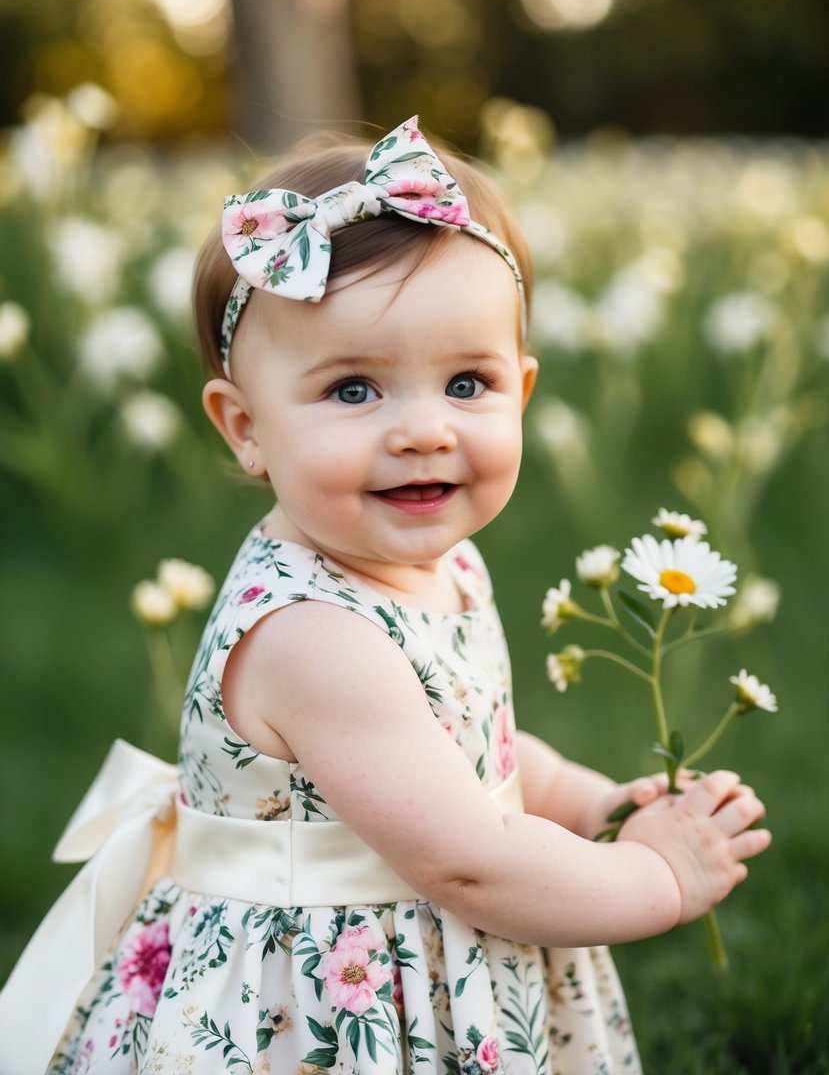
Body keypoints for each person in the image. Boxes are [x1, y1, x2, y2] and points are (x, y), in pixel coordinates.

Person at [0, 117, 770, 1075]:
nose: (422, 431)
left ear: (521, 392)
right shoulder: (314, 636)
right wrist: (654, 874)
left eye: (466, 382)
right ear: (244, 427)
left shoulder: (442, 565)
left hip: (425, 955)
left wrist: (591, 804)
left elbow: (474, 751)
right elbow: (469, 860)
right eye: (355, 391)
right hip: (319, 1003)